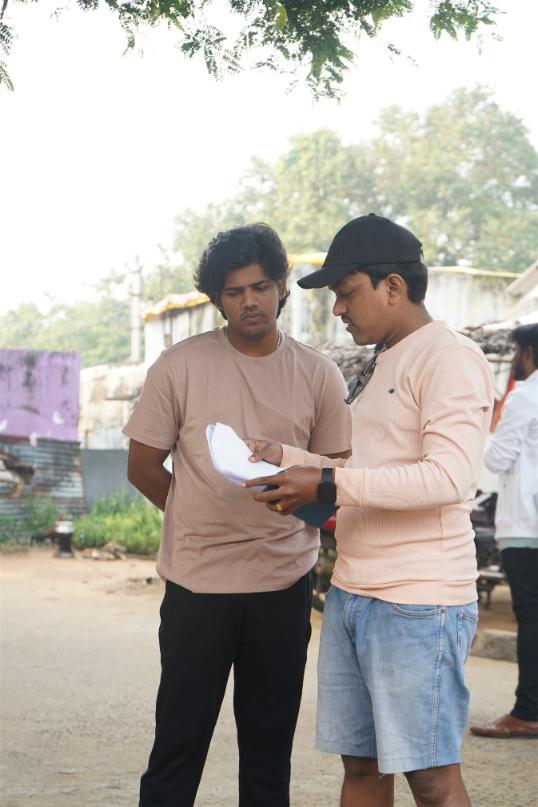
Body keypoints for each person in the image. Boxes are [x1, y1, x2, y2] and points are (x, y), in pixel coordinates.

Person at [245, 213, 494, 807]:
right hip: (354, 592)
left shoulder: (449, 357)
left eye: (347, 292)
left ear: (394, 287)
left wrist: (326, 481)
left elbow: (448, 477)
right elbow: (369, 464)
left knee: (431, 780)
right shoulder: (384, 357)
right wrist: (287, 458)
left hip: (419, 601)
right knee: (361, 767)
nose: (338, 308)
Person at [123, 223, 351, 807]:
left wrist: (294, 500)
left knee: (269, 759)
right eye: (234, 291)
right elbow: (143, 466)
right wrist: (194, 514)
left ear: (281, 288)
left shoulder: (318, 373)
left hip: (282, 584)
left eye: (260, 286)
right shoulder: (179, 366)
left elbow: (336, 477)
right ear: (217, 299)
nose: (249, 301)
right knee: (177, 750)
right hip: (198, 585)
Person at [471, 323, 538, 739]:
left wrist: (482, 430)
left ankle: (528, 712)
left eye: (516, 351)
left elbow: (496, 460)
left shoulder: (525, 396)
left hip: (527, 527)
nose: (514, 358)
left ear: (528, 351)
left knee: (530, 617)